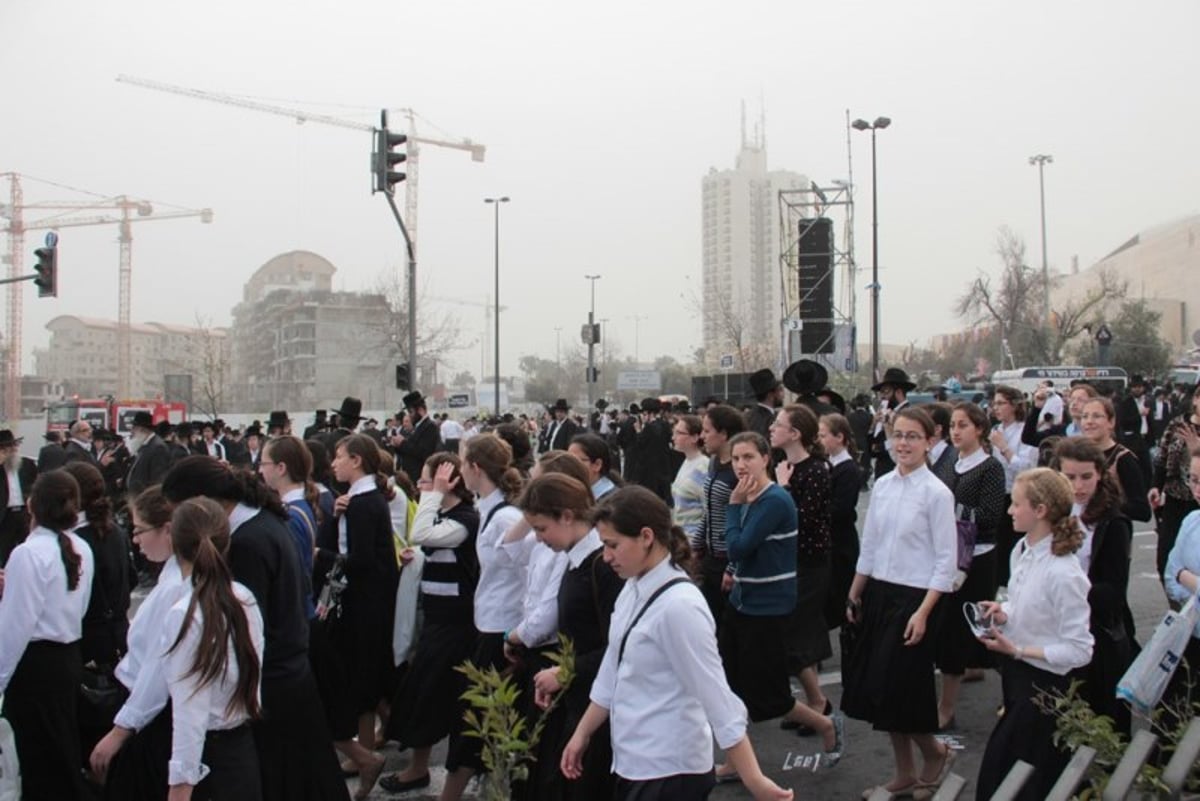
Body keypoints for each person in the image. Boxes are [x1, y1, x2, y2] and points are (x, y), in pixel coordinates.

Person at [561, 485, 793, 801]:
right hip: (635, 762)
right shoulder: (632, 587)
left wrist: (755, 781)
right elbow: (612, 670)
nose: (606, 557)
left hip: (670, 771)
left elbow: (716, 697)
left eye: (613, 545)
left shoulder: (680, 606)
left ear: (646, 536)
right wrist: (582, 733)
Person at [161, 456, 350, 801]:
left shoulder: (246, 543)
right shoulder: (260, 522)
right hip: (289, 677)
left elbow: (238, 631)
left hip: (272, 687)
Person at [843, 407, 957, 800]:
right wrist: (855, 592)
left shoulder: (937, 493)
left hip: (916, 598)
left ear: (929, 442)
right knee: (881, 691)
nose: (904, 443)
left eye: (913, 437)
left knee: (901, 687)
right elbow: (870, 544)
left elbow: (946, 561)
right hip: (879, 594)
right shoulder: (884, 485)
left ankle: (935, 751)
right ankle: (906, 771)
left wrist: (923, 613)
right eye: (899, 435)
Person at [718, 431, 843, 770]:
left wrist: (732, 508)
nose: (741, 465)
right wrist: (732, 568)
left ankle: (826, 723)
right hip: (742, 601)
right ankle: (736, 761)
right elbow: (743, 552)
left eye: (748, 457)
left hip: (767, 607)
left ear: (765, 459)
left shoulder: (772, 500)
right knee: (729, 684)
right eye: (736, 458)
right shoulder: (750, 495)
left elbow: (739, 545)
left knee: (769, 696)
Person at [975, 468, 1094, 801]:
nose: (1010, 511)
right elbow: (1022, 601)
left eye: (1015, 504)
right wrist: (1004, 612)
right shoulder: (1022, 550)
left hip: (1044, 690)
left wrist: (1018, 649)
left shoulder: (1064, 573)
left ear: (1040, 510)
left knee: (1017, 779)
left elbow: (1079, 650)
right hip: (1016, 680)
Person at [380, 453, 481, 795]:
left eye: (426, 481)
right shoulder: (443, 514)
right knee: (421, 695)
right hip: (436, 619)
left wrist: (433, 493)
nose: (422, 488)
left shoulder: (466, 518)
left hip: (457, 626)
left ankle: (434, 773)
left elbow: (420, 532)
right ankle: (417, 766)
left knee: (438, 698)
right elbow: (426, 543)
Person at [435, 434, 527, 801]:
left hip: (501, 629)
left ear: (475, 468)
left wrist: (518, 633)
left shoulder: (505, 515)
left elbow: (528, 573)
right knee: (479, 720)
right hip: (488, 623)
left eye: (461, 463)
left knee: (478, 721)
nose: (458, 470)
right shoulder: (489, 509)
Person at [521, 473, 623, 800]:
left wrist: (566, 671)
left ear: (567, 516)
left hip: (603, 712)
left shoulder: (603, 566)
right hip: (580, 699)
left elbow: (619, 648)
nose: (538, 539)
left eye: (541, 528)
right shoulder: (576, 559)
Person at [89, 486, 190, 801]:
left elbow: (157, 669)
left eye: (140, 531)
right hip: (142, 708)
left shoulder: (175, 587)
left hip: (148, 715)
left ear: (168, 530)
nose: (135, 540)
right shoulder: (171, 576)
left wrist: (121, 730)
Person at [0, 470, 95, 801]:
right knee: (60, 749)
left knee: (38, 757)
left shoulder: (28, 554)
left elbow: (15, 626)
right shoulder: (80, 546)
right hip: (67, 657)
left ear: (31, 504)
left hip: (35, 666)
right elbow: (78, 606)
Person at [163, 497, 265, 801]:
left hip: (209, 757)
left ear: (174, 541)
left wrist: (180, 786)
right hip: (242, 749)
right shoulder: (243, 597)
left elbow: (190, 708)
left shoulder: (185, 613)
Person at [315, 433, 399, 798]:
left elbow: (362, 561)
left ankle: (365, 749)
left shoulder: (366, 503)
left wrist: (323, 555)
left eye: (340, 456)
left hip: (366, 604)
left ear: (357, 461)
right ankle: (366, 746)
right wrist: (334, 522)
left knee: (363, 676)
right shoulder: (358, 500)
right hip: (367, 602)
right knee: (364, 677)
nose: (334, 463)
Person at [1052, 436, 1136, 734]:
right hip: (1055, 625)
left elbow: (1114, 591)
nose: (1078, 486)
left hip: (1096, 632)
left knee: (1100, 719)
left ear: (1100, 474)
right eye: (1069, 477)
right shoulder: (1052, 514)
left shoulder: (1113, 522)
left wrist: (1069, 590)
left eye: (1086, 476)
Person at [933, 403, 1007, 731]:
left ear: (979, 429)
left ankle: (947, 708)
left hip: (977, 558)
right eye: (952, 425)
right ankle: (968, 669)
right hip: (951, 553)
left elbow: (991, 516)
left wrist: (952, 510)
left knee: (974, 626)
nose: (955, 431)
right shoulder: (952, 461)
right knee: (955, 631)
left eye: (963, 425)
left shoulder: (990, 467)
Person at [769, 405, 836, 732]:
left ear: (795, 434)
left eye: (778, 425)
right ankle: (814, 701)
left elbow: (799, 519)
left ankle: (818, 702)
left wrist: (781, 488)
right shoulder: (783, 466)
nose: (771, 429)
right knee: (788, 634)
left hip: (810, 563)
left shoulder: (817, 470)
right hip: (788, 561)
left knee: (794, 632)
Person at [61, 461, 132, 681]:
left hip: (90, 639)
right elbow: (131, 577)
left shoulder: (76, 540)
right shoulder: (115, 531)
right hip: (117, 633)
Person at [258, 435, 320, 619]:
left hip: (295, 613)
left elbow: (293, 574)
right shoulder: (297, 505)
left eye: (264, 464)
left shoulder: (291, 515)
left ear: (281, 468)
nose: (260, 470)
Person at [695, 404, 745, 627]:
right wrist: (696, 546)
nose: (702, 436)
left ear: (724, 434)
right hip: (710, 557)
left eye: (707, 431)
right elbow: (709, 510)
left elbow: (746, 520)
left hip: (729, 559)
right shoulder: (714, 463)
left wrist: (734, 567)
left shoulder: (739, 470)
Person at [1162, 446, 1200, 731]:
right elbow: (1169, 573)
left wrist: (1185, 577)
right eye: (1194, 479)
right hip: (1190, 635)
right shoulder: (1191, 521)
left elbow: (1178, 573)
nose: (1197, 488)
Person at [1150, 388, 1200, 590]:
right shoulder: (1178, 423)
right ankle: (1177, 607)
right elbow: (1162, 457)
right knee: (1166, 557)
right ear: (1195, 400)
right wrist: (1156, 485)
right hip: (1175, 497)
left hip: (1195, 500)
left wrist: (1195, 447)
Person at [988, 385, 1038, 588]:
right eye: (994, 403)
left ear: (1014, 405)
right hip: (999, 494)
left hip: (1018, 495)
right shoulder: (996, 430)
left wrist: (1004, 448)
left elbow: (1026, 467)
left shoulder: (1025, 431)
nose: (996, 408)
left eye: (1001, 403)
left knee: (1015, 545)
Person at [818, 413, 862, 629]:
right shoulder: (828, 465)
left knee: (840, 589)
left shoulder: (848, 469)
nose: (820, 440)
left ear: (839, 437)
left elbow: (841, 509)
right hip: (830, 540)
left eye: (824, 435)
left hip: (841, 542)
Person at [1077, 396, 1153, 523]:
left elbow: (1142, 511)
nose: (1089, 421)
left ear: (1111, 422)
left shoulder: (1123, 459)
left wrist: (1104, 503)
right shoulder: (1077, 455)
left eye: (1096, 416)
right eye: (1085, 416)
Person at [670, 414, 709, 547]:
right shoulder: (686, 462)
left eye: (679, 433)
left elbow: (708, 510)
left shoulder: (704, 467)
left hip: (694, 542)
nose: (673, 437)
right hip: (682, 539)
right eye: (673, 432)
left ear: (695, 437)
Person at [0, 428, 37, 566]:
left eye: (14, 446)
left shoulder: (27, 464)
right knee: (4, 550)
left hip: (24, 513)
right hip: (5, 515)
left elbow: (35, 486)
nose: (12, 450)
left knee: (26, 548)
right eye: (7, 448)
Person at [392, 391, 443, 483]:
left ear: (420, 410)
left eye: (411, 412)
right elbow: (410, 449)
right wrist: (397, 445)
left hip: (420, 476)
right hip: (412, 476)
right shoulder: (417, 426)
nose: (410, 416)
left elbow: (424, 452)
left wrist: (403, 443)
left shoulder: (429, 427)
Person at [126, 411, 172, 495]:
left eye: (134, 428)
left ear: (142, 429)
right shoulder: (144, 445)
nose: (132, 432)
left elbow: (157, 480)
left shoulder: (158, 447)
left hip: (145, 500)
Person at [568, 432, 623, 500]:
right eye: (568, 460)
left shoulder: (614, 503)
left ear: (597, 465)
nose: (570, 466)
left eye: (576, 461)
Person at [744, 368, 784, 440]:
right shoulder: (772, 418)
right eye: (780, 390)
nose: (782, 395)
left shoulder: (748, 416)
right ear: (770, 395)